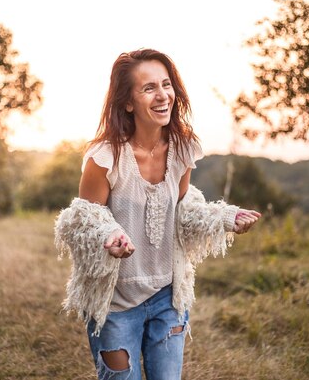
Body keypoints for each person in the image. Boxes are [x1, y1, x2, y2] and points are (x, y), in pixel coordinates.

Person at [55, 48, 260, 380]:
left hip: (168, 297)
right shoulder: (105, 157)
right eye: (149, 88)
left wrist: (222, 219)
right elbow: (84, 221)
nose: (163, 95)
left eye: (167, 84)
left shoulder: (182, 148)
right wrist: (108, 236)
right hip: (116, 306)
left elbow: (182, 210)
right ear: (128, 102)